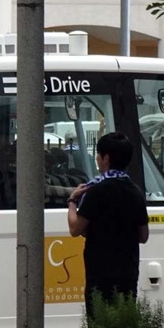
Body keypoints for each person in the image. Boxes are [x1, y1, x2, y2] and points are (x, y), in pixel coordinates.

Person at [67, 132, 149, 310]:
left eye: (98, 154)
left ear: (106, 158)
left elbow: (75, 228)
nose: (96, 159)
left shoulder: (95, 191)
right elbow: (143, 236)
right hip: (128, 273)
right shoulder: (135, 192)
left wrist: (72, 201)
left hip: (100, 273)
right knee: (122, 326)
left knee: (99, 327)